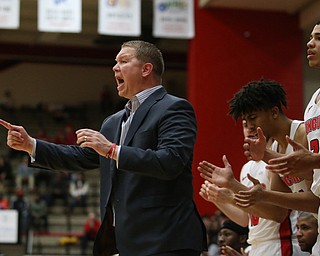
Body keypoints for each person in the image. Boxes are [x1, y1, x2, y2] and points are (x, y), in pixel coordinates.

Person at [0, 40, 207, 256]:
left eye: (123, 61)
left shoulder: (174, 108)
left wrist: (112, 150)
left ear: (146, 69)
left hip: (167, 240)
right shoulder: (113, 121)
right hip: (126, 242)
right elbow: (80, 157)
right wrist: (30, 144)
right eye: (115, 61)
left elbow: (170, 161)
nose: (114, 67)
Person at [199, 79, 311, 255]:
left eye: (252, 118)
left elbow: (282, 211)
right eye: (244, 122)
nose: (249, 127)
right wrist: (229, 191)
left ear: (274, 112)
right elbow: (276, 208)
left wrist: (234, 193)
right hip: (260, 244)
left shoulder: (302, 134)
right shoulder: (273, 150)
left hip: (284, 243)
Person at [253, 21, 320, 255]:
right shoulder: (313, 101)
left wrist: (313, 161)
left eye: (318, 38)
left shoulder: (298, 132)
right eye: (310, 37)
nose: (310, 43)